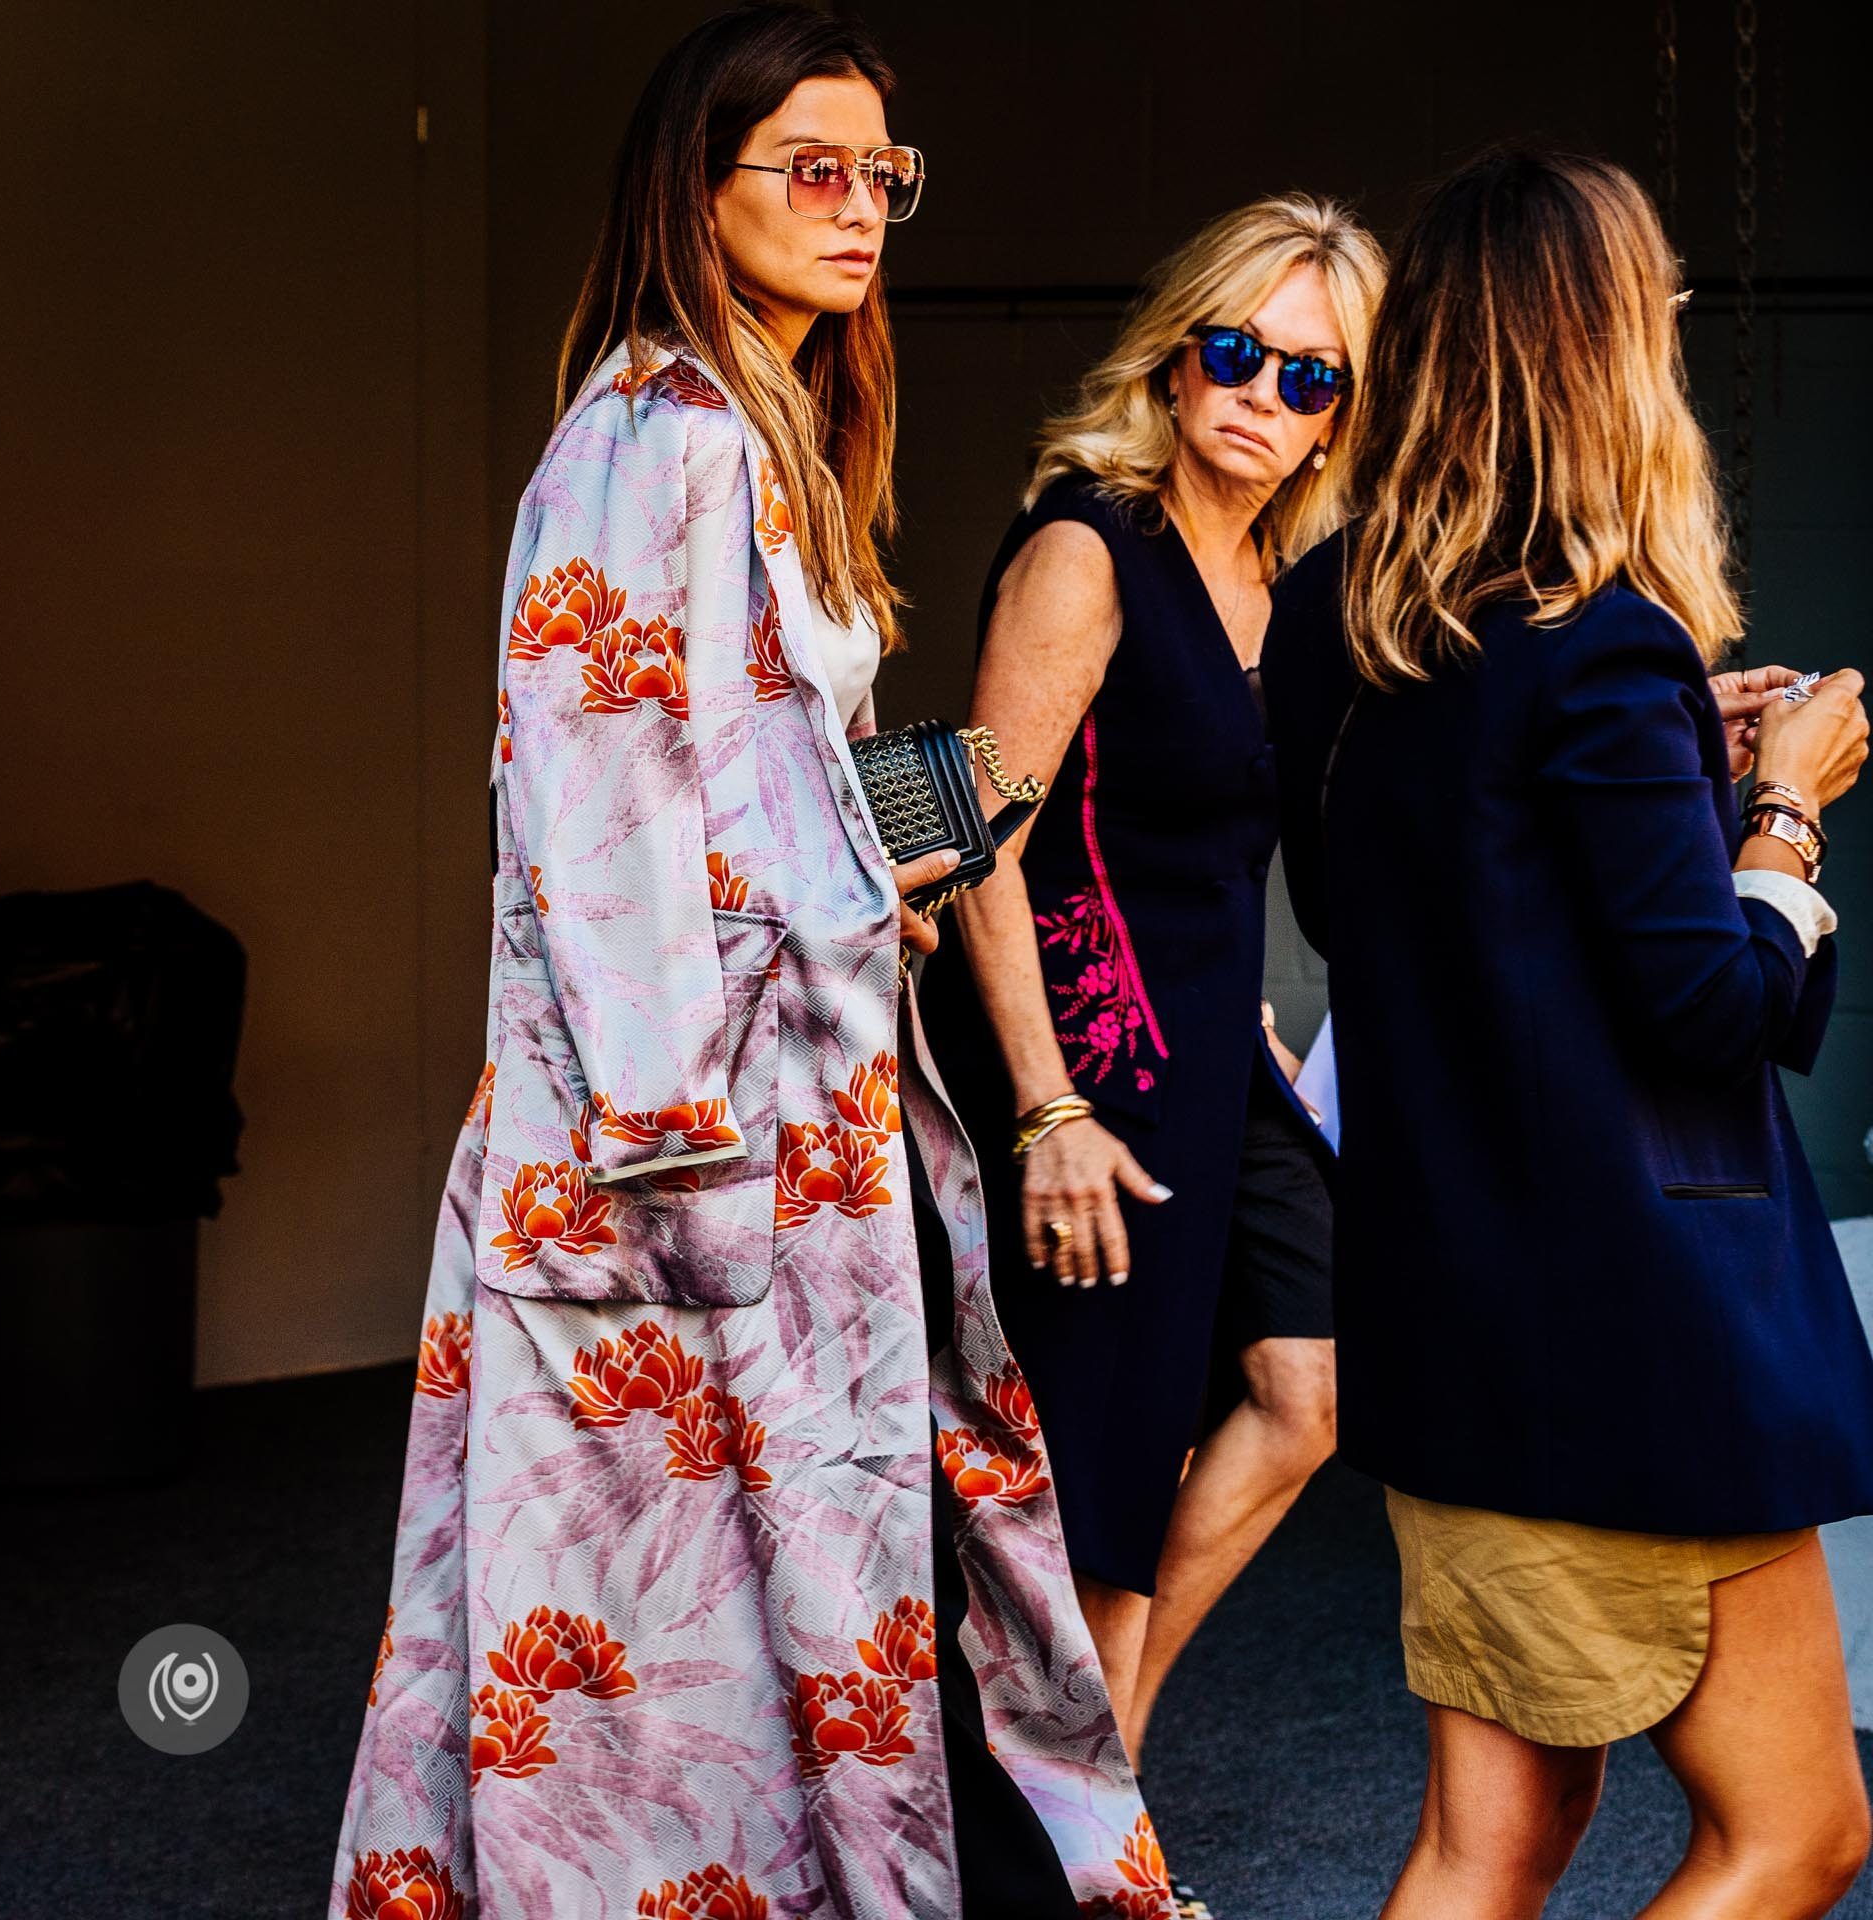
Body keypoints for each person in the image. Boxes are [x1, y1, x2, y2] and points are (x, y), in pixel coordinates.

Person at [328, 10, 1170, 1916]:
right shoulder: (662, 431)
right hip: (688, 1174)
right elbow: (602, 827)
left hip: (775, 1140)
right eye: (813, 168)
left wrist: (903, 809)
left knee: (740, 1640)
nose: (861, 207)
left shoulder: (754, 432)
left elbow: (738, 795)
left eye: (886, 173)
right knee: (636, 1670)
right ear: (693, 196)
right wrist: (692, 1196)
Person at [1261, 147, 1873, 1920]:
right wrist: (1784, 807)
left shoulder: (1335, 614)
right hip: (1642, 1349)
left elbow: (1430, 885)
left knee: (1494, 1844)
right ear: (1596, 345)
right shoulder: (1601, 641)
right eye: (1657, 302)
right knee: (1799, 1838)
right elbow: (1711, 1006)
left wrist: (1685, 751)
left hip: (1451, 1317)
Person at [918, 197, 1384, 1805]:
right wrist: (1044, 1107)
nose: (1265, 395)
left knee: (1304, 1392)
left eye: (1311, 378)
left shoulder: (1285, 589)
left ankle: (1096, 1767)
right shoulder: (1084, 545)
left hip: (1216, 1062)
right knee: (1107, 1474)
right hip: (1085, 1072)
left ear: (1341, 417)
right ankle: (1074, 1828)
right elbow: (977, 843)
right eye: (1239, 353)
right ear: (1179, 358)